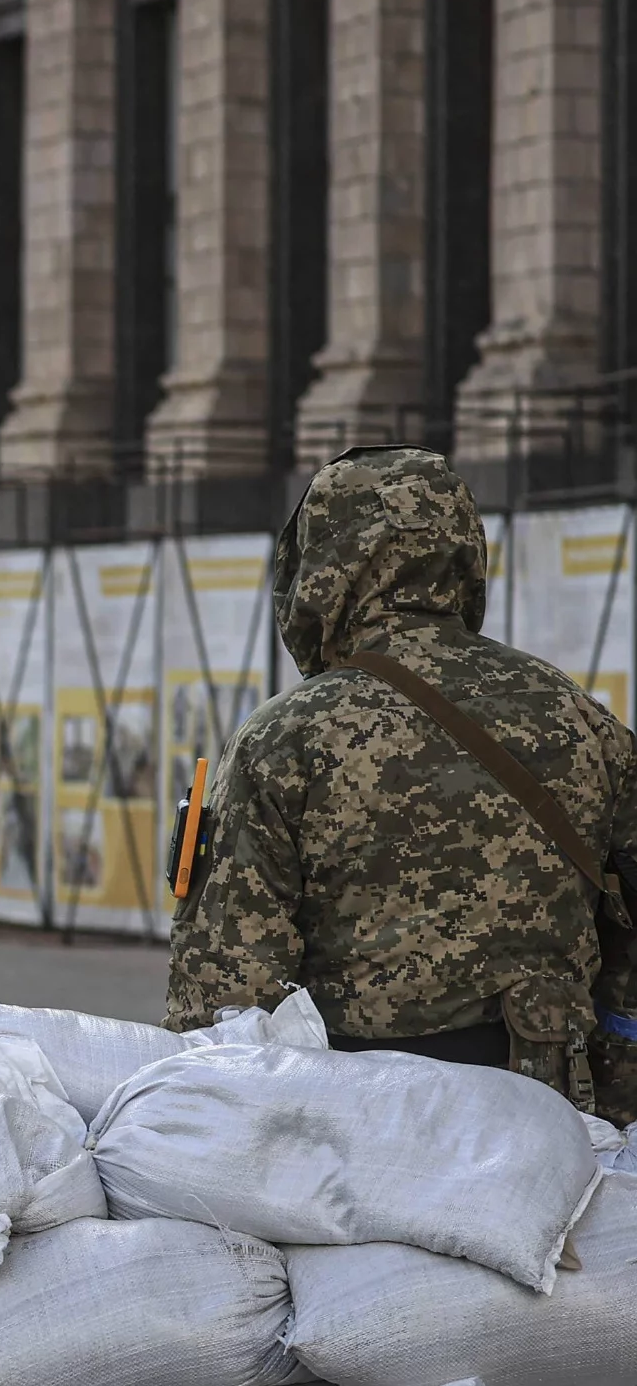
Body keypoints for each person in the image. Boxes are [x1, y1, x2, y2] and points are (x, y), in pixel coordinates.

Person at [165, 445, 637, 1113]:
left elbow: (222, 1000)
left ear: (323, 570)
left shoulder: (284, 736)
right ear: (465, 555)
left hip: (360, 1138)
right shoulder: (580, 718)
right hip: (551, 1120)